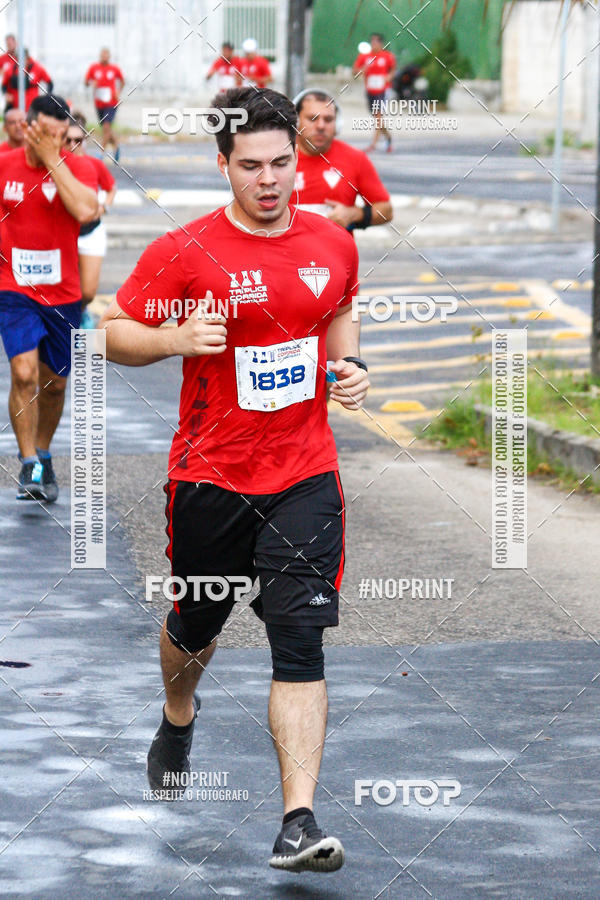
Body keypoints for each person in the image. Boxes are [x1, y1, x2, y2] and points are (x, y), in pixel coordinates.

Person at [99, 86, 369, 874]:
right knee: (198, 627)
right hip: (212, 478)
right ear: (223, 164)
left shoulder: (331, 243)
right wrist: (174, 337)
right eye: (250, 165)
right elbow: (111, 332)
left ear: (298, 159)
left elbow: (341, 310)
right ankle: (178, 713)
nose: (269, 180)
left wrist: (351, 367)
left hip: (304, 473)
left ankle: (297, 820)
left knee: (300, 640)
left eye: (282, 162)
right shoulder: (185, 251)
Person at [0, 95, 98, 502]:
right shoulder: (4, 165)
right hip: (13, 288)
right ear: (28, 127)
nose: (54, 139)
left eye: (61, 134)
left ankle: (43, 451)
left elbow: (87, 211)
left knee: (54, 385)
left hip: (63, 294)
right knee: (24, 374)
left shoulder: (79, 168)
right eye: (46, 132)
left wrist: (52, 160)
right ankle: (29, 464)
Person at [294, 89, 392, 231]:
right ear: (296, 121)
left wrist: (354, 214)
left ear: (337, 124)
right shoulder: (277, 157)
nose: (321, 126)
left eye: (328, 120)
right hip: (285, 252)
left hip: (336, 252)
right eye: (312, 118)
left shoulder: (355, 158)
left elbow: (386, 210)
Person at [66, 112, 116, 328]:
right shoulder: (56, 165)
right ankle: (70, 326)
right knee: (66, 289)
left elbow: (110, 188)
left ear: (85, 140)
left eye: (77, 140)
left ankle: (84, 311)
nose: (72, 145)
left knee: (87, 291)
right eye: (66, 140)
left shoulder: (93, 164)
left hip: (91, 232)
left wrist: (103, 207)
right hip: (64, 233)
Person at [352, 33, 395, 152]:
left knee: (378, 116)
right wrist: (361, 70)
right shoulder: (364, 57)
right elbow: (355, 71)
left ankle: (374, 144)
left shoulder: (387, 56)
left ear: (381, 44)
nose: (374, 44)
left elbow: (392, 70)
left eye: (376, 42)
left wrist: (389, 77)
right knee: (377, 117)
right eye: (372, 42)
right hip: (370, 90)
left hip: (383, 90)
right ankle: (388, 137)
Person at [84, 48, 124, 160]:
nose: (104, 57)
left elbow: (122, 81)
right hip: (99, 102)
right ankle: (116, 145)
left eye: (106, 55)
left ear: (109, 56)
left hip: (112, 103)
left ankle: (101, 153)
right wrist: (92, 83)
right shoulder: (94, 68)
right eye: (102, 55)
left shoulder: (114, 69)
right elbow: (86, 82)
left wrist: (118, 92)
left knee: (106, 126)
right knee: (106, 129)